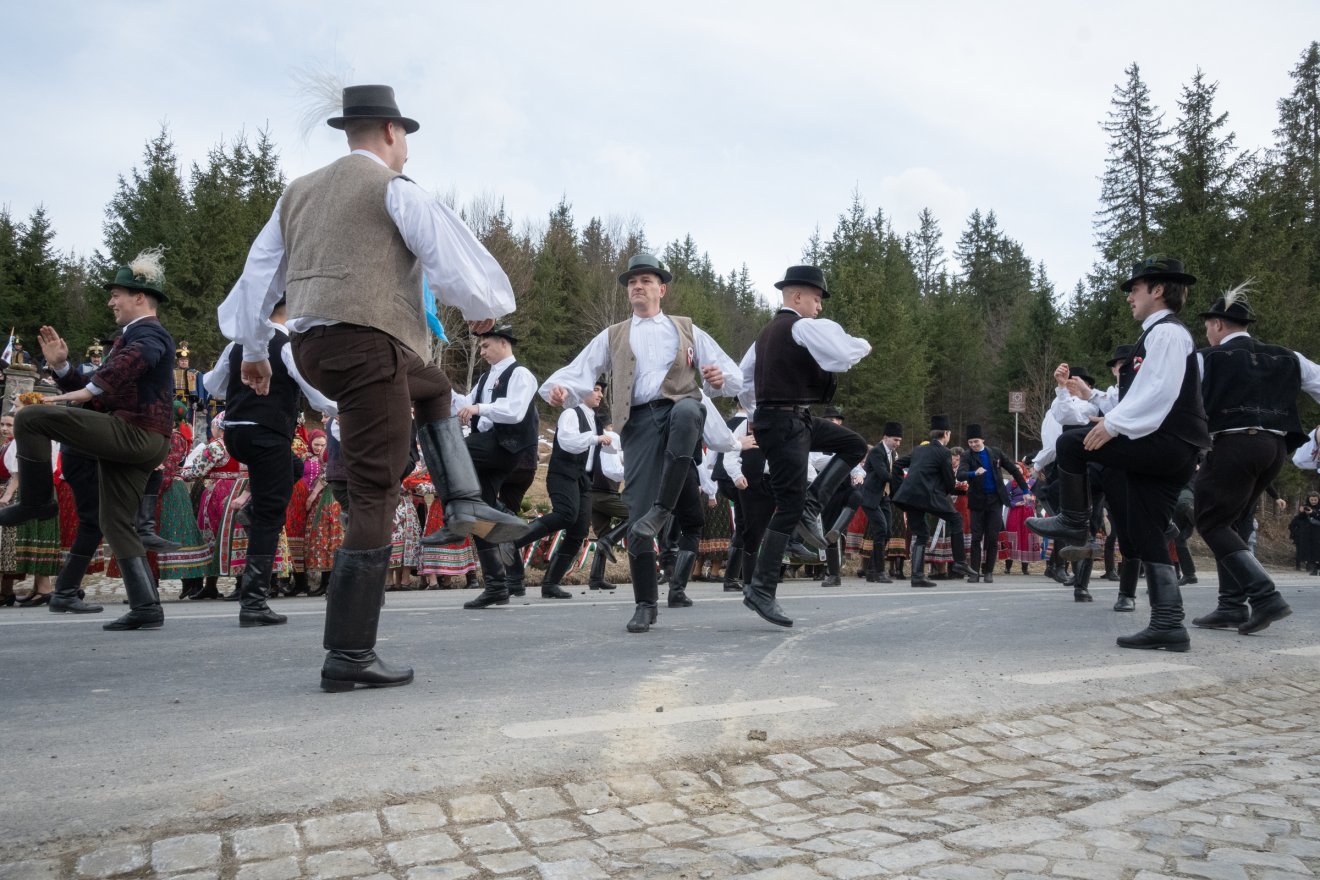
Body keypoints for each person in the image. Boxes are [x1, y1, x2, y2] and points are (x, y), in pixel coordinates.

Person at [219, 84, 524, 691]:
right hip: (369, 347)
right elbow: (450, 256)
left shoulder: (297, 194)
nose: (407, 147)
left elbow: (258, 276)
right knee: (376, 491)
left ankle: (463, 498)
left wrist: (255, 350)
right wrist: (481, 308)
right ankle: (350, 653)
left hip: (313, 349)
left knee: (435, 385)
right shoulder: (394, 189)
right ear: (390, 131)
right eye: (405, 135)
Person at [542, 253, 742, 633]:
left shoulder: (687, 329)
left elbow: (729, 374)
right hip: (638, 425)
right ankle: (645, 604)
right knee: (636, 514)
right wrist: (559, 390)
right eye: (632, 281)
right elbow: (578, 372)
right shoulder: (613, 334)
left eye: (646, 280)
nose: (637, 285)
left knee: (687, 412)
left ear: (661, 289)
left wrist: (718, 378)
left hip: (680, 409)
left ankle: (664, 508)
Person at [1029, 255, 1210, 651]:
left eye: (1135, 288)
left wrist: (1111, 426)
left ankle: (1075, 523)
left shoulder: (1166, 333)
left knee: (1070, 443)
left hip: (1167, 442)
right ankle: (1169, 624)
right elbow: (1137, 396)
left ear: (1157, 289)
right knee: (1144, 530)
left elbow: (1157, 394)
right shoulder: (1160, 335)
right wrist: (1094, 400)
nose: (1129, 296)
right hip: (1173, 447)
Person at [0, 250, 175, 630]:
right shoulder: (128, 338)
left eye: (117, 295)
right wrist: (63, 368)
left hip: (136, 435)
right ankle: (147, 607)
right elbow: (98, 390)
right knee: (115, 524)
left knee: (29, 417)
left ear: (139, 298)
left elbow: (133, 362)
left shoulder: (148, 334)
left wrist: (76, 393)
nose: (111, 302)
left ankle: (36, 501)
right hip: (139, 440)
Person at [737, 266, 870, 626]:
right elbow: (843, 355)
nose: (819, 307)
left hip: (792, 419)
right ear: (797, 296)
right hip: (785, 422)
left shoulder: (765, 335)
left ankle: (814, 501)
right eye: (816, 299)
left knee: (853, 444)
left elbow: (744, 379)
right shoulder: (799, 326)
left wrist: (754, 411)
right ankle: (761, 589)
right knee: (789, 505)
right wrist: (864, 344)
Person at [1189, 283, 1320, 634]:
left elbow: (1174, 399)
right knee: (1235, 519)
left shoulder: (1206, 358)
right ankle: (1231, 605)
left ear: (1218, 324)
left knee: (1212, 521)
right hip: (1275, 448)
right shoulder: (1288, 356)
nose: (1207, 332)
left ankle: (1264, 598)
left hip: (1234, 444)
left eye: (1207, 326)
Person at [204, 295, 338, 626]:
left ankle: (253, 509)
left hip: (236, 434)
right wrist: (338, 407)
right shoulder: (284, 343)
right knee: (271, 513)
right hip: (266, 433)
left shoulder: (239, 343)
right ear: (289, 311)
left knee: (291, 468)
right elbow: (311, 387)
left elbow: (213, 384)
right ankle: (253, 602)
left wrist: (242, 387)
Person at [451, 324, 541, 608]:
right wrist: (439, 390)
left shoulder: (521, 374)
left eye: (485, 346)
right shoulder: (485, 378)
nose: (482, 352)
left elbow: (514, 411)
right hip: (488, 445)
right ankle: (497, 587)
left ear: (503, 343)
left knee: (453, 454)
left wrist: (480, 409)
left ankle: (453, 519)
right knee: (481, 516)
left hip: (504, 447)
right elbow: (465, 403)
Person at [894, 416, 972, 587]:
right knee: (956, 519)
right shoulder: (944, 452)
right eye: (949, 433)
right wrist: (945, 489)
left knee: (921, 534)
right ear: (946, 433)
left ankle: (917, 576)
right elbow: (950, 483)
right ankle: (959, 562)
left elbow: (897, 464)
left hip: (909, 497)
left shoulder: (918, 450)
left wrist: (901, 485)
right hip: (927, 497)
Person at [957, 424, 1029, 584]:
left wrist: (1025, 490)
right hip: (976, 501)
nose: (973, 445)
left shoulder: (995, 453)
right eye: (970, 442)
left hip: (995, 500)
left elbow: (1014, 470)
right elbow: (960, 474)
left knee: (992, 537)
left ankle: (988, 571)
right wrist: (973, 473)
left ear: (982, 439)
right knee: (976, 537)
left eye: (976, 441)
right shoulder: (967, 456)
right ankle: (974, 572)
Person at [855, 423, 902, 584]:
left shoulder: (892, 453)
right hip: (870, 497)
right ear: (885, 438)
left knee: (887, 532)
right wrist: (904, 481)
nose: (897, 443)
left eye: (900, 440)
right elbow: (883, 474)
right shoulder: (876, 452)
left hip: (884, 497)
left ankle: (872, 571)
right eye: (895, 439)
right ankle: (879, 572)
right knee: (881, 530)